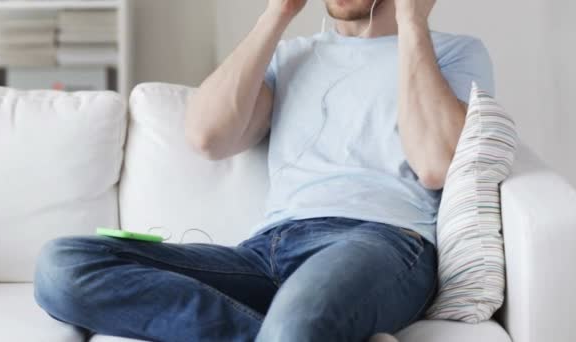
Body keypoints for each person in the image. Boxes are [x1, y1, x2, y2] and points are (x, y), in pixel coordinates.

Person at [34, 0, 494, 341]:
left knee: (299, 317)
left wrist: (413, 18)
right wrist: (277, 12)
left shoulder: (453, 53)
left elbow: (437, 164)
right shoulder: (290, 56)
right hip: (265, 252)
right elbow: (206, 136)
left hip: (383, 244)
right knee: (63, 267)